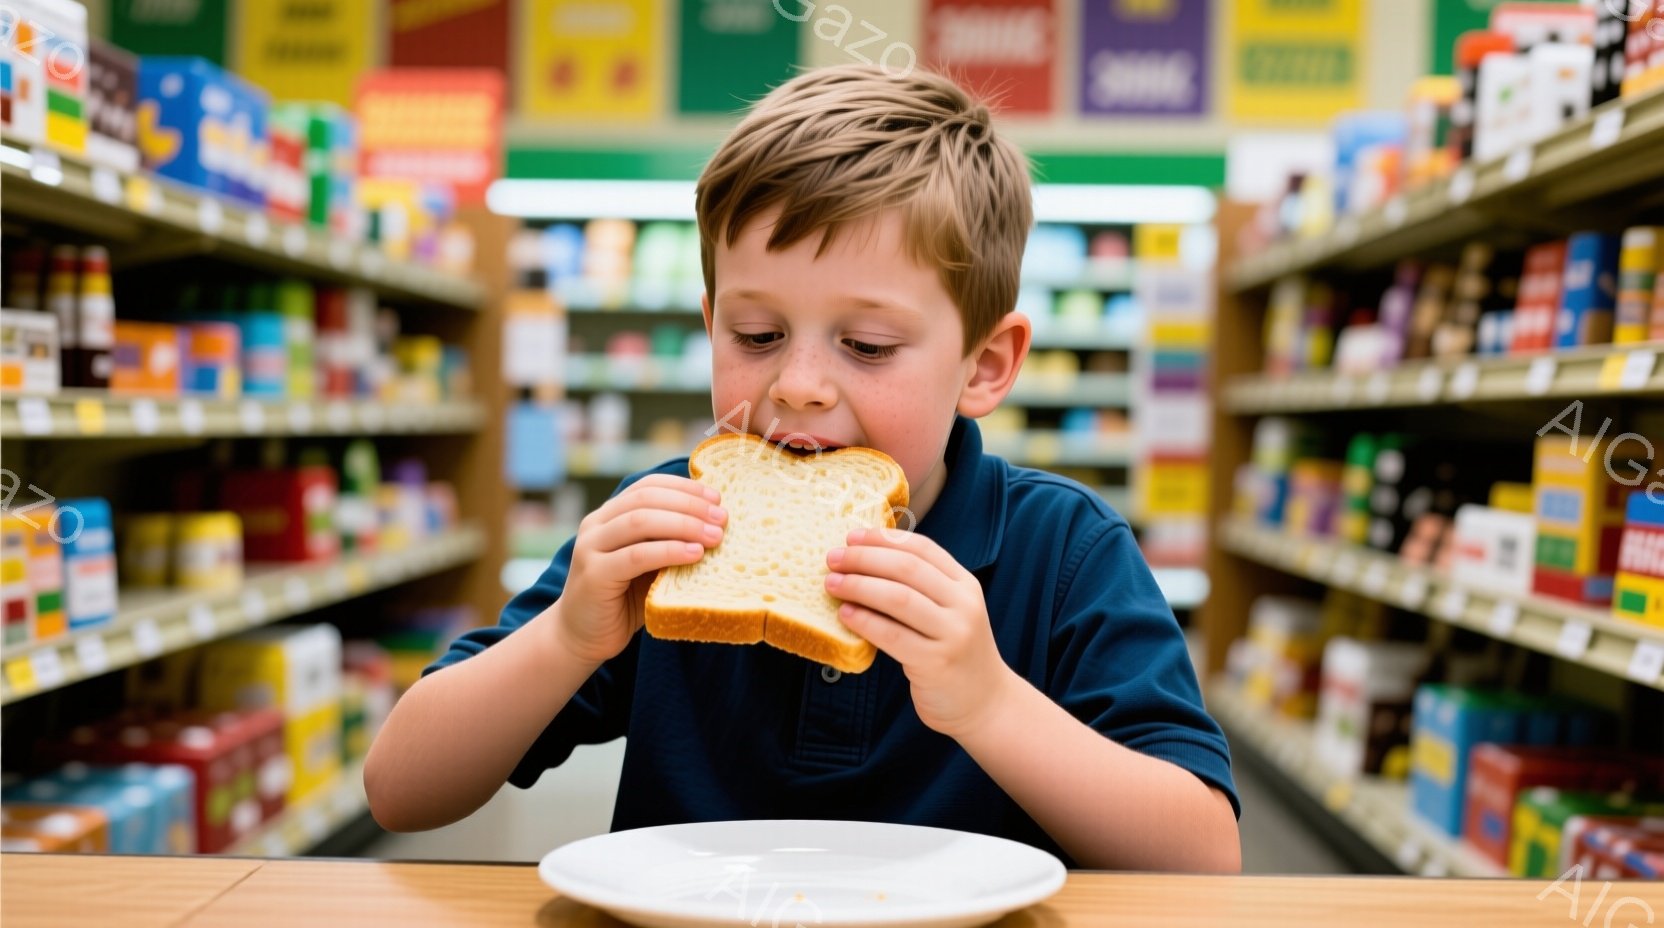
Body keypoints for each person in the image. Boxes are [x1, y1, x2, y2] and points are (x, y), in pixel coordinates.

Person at [365, 63, 1241, 872]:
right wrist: (567, 638)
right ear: (711, 323)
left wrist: (988, 701)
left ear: (984, 366)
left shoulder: (1064, 552)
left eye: (866, 345)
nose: (799, 386)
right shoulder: (668, 528)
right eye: (756, 336)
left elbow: (1203, 860)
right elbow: (403, 790)